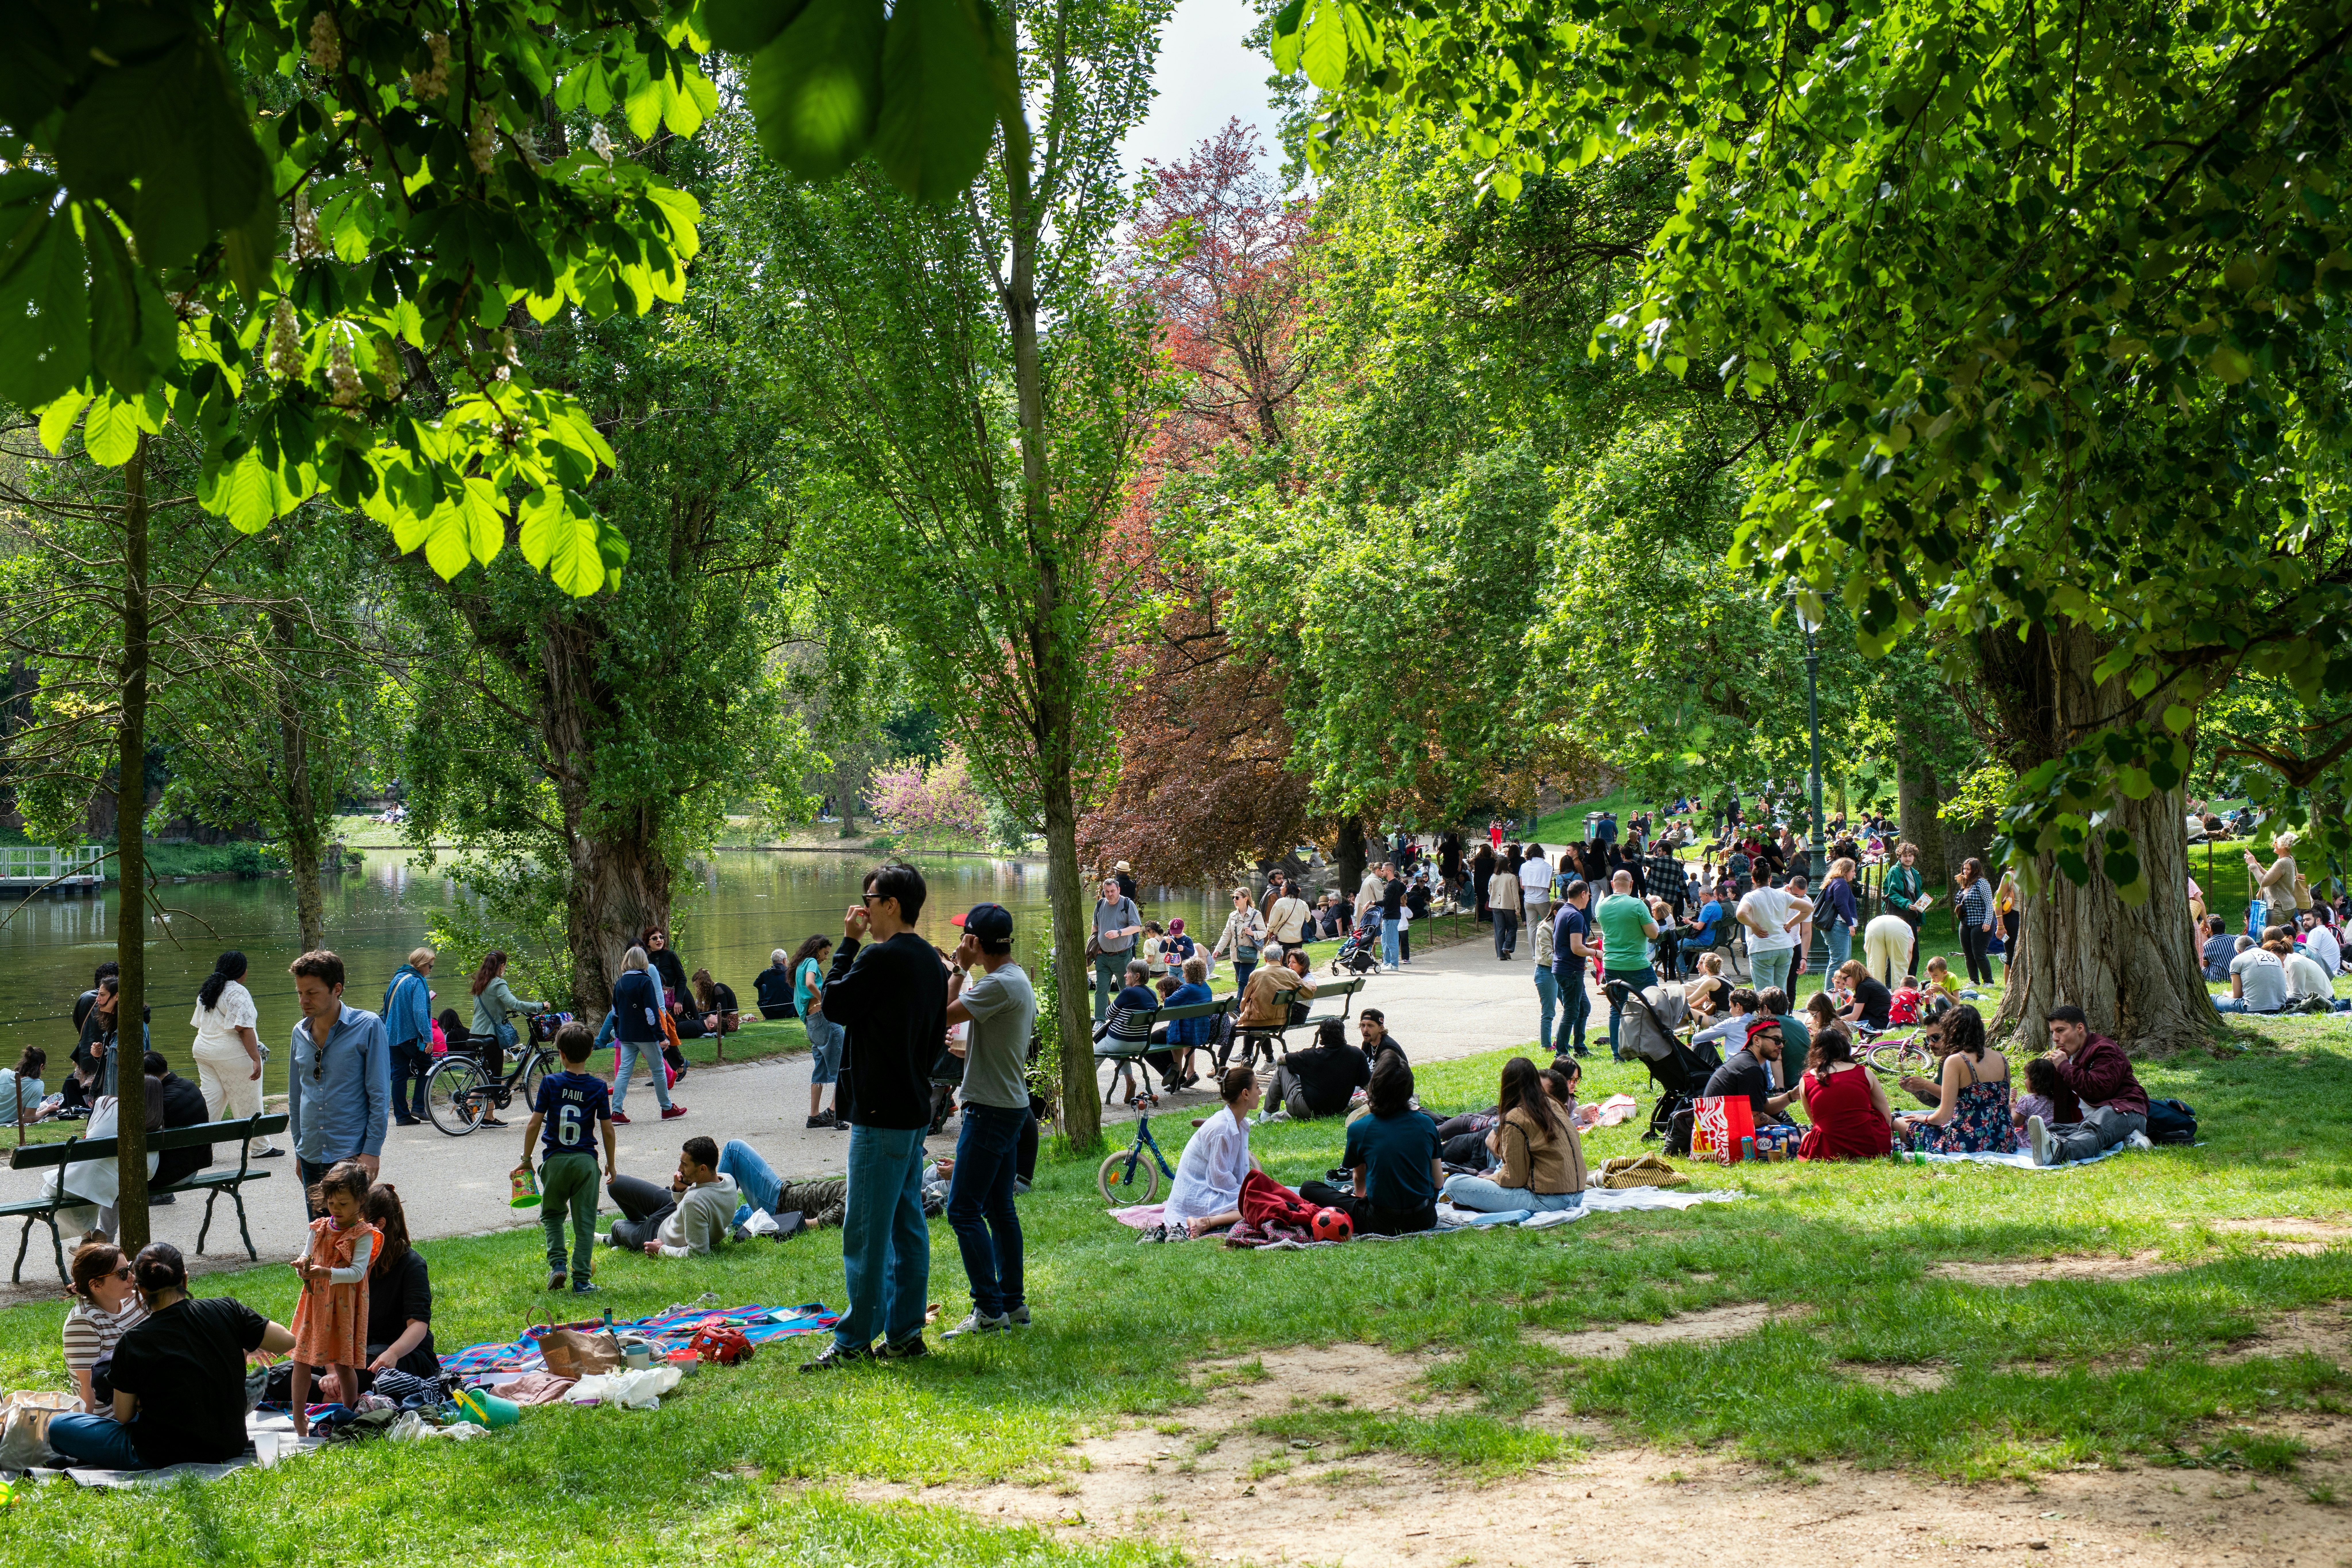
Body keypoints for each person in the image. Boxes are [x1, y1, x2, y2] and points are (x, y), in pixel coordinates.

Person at [806, 862, 948, 1370]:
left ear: (891, 904)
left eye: (868, 899)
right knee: (907, 1223)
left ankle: (853, 1342)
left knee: (866, 1229)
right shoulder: (930, 960)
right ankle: (905, 1333)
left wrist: (847, 943)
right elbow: (934, 1038)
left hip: (880, 1113)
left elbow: (835, 1004)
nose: (861, 908)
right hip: (911, 1108)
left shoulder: (880, 956)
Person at [44, 1243, 297, 1471]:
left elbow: (123, 1415)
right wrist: (244, 1342)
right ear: (185, 1279)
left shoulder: (133, 1341)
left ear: (141, 1290)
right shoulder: (227, 1309)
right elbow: (287, 1341)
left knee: (60, 1426)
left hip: (160, 1455)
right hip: (229, 1445)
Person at [941, 902, 1036, 1338]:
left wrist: (959, 968)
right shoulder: (1014, 979)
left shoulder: (997, 983)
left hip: (991, 1110)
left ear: (975, 942)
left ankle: (989, 1310)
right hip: (1009, 1106)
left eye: (965, 937)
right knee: (999, 1209)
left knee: (962, 1209)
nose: (960, 944)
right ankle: (1012, 1305)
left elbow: (941, 1014)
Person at [285, 950, 391, 1209]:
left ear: (337, 989)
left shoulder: (368, 1026)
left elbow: (379, 1095)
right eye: (300, 992)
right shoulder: (299, 1032)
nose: (304, 1000)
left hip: (351, 1156)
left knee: (353, 1230)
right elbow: (296, 1097)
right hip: (310, 1155)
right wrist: (299, 1150)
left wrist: (372, 1151)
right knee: (319, 1229)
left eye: (312, 992)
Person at [518, 1021, 617, 1294]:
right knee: (585, 1222)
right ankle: (582, 1280)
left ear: (560, 1053)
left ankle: (558, 1264)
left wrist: (526, 1158)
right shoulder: (598, 1087)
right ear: (590, 1052)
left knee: (552, 1215)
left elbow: (533, 1124)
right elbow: (608, 1129)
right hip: (586, 1163)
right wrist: (611, 1163)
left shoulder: (550, 1082)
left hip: (555, 1161)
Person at [1298, 1053, 1442, 1235]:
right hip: (1425, 1218)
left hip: (1381, 1222)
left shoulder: (1360, 1129)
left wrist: (1361, 1201)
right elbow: (1438, 1181)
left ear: (1374, 1087)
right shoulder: (1427, 1124)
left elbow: (1360, 1183)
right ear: (1409, 1089)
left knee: (1308, 1188)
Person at [288, 1160, 379, 1437]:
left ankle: (349, 1414)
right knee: (301, 1359)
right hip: (315, 1303)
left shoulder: (363, 1234)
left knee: (343, 1363)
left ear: (361, 1200)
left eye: (343, 1203)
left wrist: (325, 1272)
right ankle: (298, 1418)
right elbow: (307, 1255)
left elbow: (357, 1272)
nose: (335, 1209)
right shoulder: (319, 1227)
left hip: (344, 1307)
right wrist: (303, 1267)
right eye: (331, 1202)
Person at [1438, 1056, 1586, 1214]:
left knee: (1453, 1185)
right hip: (1577, 1195)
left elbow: (1515, 1178)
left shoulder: (1516, 1117)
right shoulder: (1555, 1105)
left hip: (1549, 1199)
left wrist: (1491, 1178)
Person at [186, 950, 286, 1153]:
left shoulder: (208, 989)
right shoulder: (237, 992)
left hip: (204, 1050)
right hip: (230, 1054)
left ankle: (197, 1147)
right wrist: (256, 1058)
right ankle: (260, 1148)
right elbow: (244, 1028)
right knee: (248, 1100)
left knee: (211, 1099)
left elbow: (202, 1023)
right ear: (241, 971)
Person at [2025, 1005, 2150, 1166]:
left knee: (2099, 1123)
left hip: (2125, 1111)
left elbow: (2099, 1091)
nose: (2055, 1038)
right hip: (2091, 1120)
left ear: (2080, 1028)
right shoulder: (2067, 1057)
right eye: (2053, 1033)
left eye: (2061, 1031)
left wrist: (2064, 1067)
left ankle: (2058, 1151)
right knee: (2054, 1130)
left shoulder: (2105, 1049)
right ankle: (2126, 1141)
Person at [1895, 1004, 2012, 1153]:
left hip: (1968, 1143)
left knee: (1899, 1123)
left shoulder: (1956, 1060)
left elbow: (1943, 1117)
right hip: (2004, 1141)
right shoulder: (2001, 1058)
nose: (1931, 1043)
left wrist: (1923, 1118)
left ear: (1951, 1030)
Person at [1163, 1066, 1264, 1237]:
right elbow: (1219, 1178)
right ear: (1246, 1094)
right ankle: (1204, 1222)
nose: (1260, 1092)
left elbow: (1235, 1172)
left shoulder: (1236, 1123)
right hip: (1197, 1196)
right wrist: (1246, 1194)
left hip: (1206, 1189)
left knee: (1263, 1200)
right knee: (1259, 1207)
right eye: (1258, 1087)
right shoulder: (1222, 1129)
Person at [606, 1136, 740, 1255]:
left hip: (660, 1234)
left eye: (685, 1165)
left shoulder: (695, 1201)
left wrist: (662, 1250)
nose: (680, 1169)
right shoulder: (728, 1180)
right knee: (615, 1184)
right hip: (675, 1211)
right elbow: (691, 1206)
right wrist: (680, 1189)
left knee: (617, 1226)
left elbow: (699, 1252)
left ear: (703, 1169)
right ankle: (639, 1227)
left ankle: (613, 1238)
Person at [361, 1184, 439, 1387]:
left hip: (404, 1354)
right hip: (360, 1351)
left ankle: (337, 1389)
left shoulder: (412, 1265)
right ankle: (334, 1390)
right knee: (288, 1372)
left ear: (379, 1225)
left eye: (357, 1225)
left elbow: (418, 1324)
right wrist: (331, 1369)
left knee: (367, 1366)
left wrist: (393, 1353)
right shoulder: (353, 1264)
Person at [62, 1239, 147, 1413]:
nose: (131, 1277)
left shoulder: (136, 1300)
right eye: (122, 1273)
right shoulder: (84, 1322)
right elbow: (88, 1389)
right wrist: (84, 1427)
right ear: (96, 1285)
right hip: (111, 1418)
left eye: (129, 1268)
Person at [607, 945, 683, 1124]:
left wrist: (619, 1033)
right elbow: (651, 1013)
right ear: (644, 962)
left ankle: (616, 1112)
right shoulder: (645, 981)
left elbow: (615, 1013)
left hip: (626, 1036)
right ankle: (667, 1109)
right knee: (658, 1071)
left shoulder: (620, 983)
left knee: (624, 1072)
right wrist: (661, 1036)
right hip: (645, 1035)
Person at [466, 951, 543, 1125]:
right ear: (501, 966)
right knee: (494, 1078)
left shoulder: (481, 982)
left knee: (488, 1076)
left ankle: (487, 1117)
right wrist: (539, 1006)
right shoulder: (498, 983)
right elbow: (515, 1004)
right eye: (505, 966)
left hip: (476, 1032)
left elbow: (491, 1007)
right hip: (490, 1036)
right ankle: (470, 1107)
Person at [1797, 1027, 1895, 1160]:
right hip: (1871, 1145)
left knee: (1807, 1137)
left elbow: (1815, 1122)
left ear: (1815, 1050)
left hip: (1828, 1150)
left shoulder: (1806, 1080)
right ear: (1845, 1047)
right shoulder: (1864, 1072)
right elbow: (1886, 1116)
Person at [1595, 870, 1661, 1061]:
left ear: (1612, 884)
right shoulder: (1637, 905)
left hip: (1611, 963)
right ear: (1632, 884)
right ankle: (1656, 1046)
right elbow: (1653, 934)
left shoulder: (1601, 906)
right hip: (1636, 964)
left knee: (1617, 1008)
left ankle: (1618, 1054)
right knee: (1655, 1002)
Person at [1702, 1017, 1800, 1125]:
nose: (1781, 1045)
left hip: (1720, 1129)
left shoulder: (1746, 1062)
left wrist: (1792, 1095)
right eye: (1776, 1040)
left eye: (1782, 1041)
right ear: (1757, 1040)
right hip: (1721, 1133)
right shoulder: (1751, 1070)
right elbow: (1756, 1119)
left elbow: (1764, 1107)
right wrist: (1794, 1130)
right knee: (1793, 1130)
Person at [1270, 1019, 1371, 1122]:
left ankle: (1266, 1113)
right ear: (1343, 1034)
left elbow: (1281, 1059)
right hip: (1337, 1109)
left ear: (1321, 1036)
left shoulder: (1310, 1055)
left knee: (1283, 1067)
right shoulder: (1357, 1054)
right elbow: (1369, 1086)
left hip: (1307, 1110)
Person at [788, 935, 841, 1128]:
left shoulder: (800, 965)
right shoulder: (811, 962)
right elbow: (811, 984)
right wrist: (826, 1000)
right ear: (817, 949)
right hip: (823, 1018)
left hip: (811, 1022)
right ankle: (833, 1113)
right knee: (845, 1064)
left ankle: (814, 1116)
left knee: (821, 1067)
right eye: (825, 953)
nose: (826, 958)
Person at [142, 1051, 212, 1192]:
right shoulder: (188, 1085)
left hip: (171, 1176)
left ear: (146, 1076)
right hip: (192, 1169)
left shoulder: (162, 1102)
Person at [1735, 862, 1805, 999]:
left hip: (1762, 948)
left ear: (1753, 879)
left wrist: (1754, 926)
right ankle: (1782, 1014)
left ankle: (1766, 1014)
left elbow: (1741, 914)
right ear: (1770, 879)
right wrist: (1791, 924)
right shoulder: (1783, 895)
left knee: (1764, 995)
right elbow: (1808, 908)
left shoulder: (1750, 897)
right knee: (1781, 994)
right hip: (1784, 947)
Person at [1551, 879, 1595, 1058]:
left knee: (1584, 1008)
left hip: (1564, 969)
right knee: (1571, 1012)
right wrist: (1596, 953)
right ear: (1583, 894)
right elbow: (1577, 948)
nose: (1589, 899)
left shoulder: (1563, 911)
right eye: (1589, 895)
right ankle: (1561, 1053)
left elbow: (1569, 943)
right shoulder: (1576, 916)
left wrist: (1589, 946)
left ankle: (1580, 1047)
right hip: (1570, 971)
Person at [1091, 876, 1143, 1022]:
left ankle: (1125, 1018)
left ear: (1119, 890)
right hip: (1102, 956)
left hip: (1122, 955)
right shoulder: (1100, 904)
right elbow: (1095, 926)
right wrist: (1097, 945)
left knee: (1125, 988)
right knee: (1101, 990)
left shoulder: (1127, 904)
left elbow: (1137, 927)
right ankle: (1100, 1021)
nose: (1110, 894)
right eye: (1107, 891)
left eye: (1113, 891)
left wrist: (1119, 933)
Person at [1160, 955, 1216, 1088]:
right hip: (1201, 1031)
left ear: (1190, 974)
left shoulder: (1187, 989)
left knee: (1154, 1039)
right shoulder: (1206, 988)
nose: (1184, 976)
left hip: (1188, 1033)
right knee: (1180, 1031)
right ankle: (1188, 1074)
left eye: (1185, 973)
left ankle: (1177, 1075)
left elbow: (1168, 1003)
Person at [2010, 1055, 2081, 1143]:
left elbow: (2016, 1123)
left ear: (2035, 1081)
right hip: (2051, 1141)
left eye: (2026, 1078)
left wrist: (2013, 1108)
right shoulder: (2058, 1100)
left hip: (2030, 1142)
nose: (2025, 1081)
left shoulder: (2026, 1101)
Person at [1210, 885, 1266, 995]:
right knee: (1244, 982)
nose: (1234, 900)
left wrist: (1253, 933)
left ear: (1246, 899)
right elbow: (1227, 934)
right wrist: (1218, 949)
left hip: (1250, 954)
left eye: (1237, 897)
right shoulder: (1232, 916)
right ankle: (1252, 1001)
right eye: (1233, 897)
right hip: (1236, 954)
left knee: (1243, 981)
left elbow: (1264, 932)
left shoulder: (1256, 914)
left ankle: (1239, 1005)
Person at [1952, 857, 1998, 987]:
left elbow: (1989, 904)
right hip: (1965, 923)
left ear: (1976, 870)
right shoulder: (1966, 883)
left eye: (1968, 869)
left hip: (1980, 923)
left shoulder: (1982, 883)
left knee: (1979, 954)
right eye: (1964, 869)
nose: (1965, 871)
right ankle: (1974, 981)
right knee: (1968, 954)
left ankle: (1989, 982)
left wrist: (1988, 921)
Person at [2216, 934, 2290, 1014]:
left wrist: (2228, 995)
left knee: (2213, 998)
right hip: (2280, 1008)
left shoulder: (2238, 959)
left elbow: (2237, 996)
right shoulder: (2274, 956)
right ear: (2256, 945)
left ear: (2239, 952)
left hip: (2252, 1008)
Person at [2244, 832, 2299, 936]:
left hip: (2278, 908)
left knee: (2274, 939)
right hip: (2286, 906)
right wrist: (2256, 864)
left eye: (2276, 842)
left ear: (2284, 845)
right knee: (2282, 937)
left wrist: (2253, 866)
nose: (2273, 844)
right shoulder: (2289, 859)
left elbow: (2264, 882)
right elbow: (2272, 878)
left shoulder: (2282, 863)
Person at [1817, 858, 1861, 973]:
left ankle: (1837, 985)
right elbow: (1842, 905)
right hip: (1838, 926)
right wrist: (1850, 924)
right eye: (1853, 871)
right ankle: (1832, 986)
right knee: (1838, 962)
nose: (1855, 874)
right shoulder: (1841, 883)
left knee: (1842, 962)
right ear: (1845, 871)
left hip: (1837, 926)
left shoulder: (1835, 882)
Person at [1883, 840, 1931, 943]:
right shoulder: (1895, 871)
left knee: (1913, 948)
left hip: (1911, 915)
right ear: (1899, 857)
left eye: (1911, 856)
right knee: (1900, 948)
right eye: (1905, 856)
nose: (1908, 859)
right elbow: (1893, 894)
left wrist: (1918, 921)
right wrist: (1907, 904)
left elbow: (1917, 896)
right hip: (1897, 915)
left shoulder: (1915, 873)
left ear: (1914, 857)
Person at [644, 928, 692, 1020]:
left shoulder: (671, 955)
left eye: (661, 937)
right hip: (659, 1002)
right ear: (648, 943)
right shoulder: (647, 960)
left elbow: (682, 979)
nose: (659, 940)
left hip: (678, 1001)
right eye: (655, 938)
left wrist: (679, 1001)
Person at [1833, 959, 1893, 1033]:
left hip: (1882, 1024)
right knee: (1849, 1009)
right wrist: (1831, 1013)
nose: (1844, 982)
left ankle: (1832, 1029)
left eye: (1845, 979)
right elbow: (1850, 1005)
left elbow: (1855, 1016)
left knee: (1849, 1011)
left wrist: (1834, 1022)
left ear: (1854, 975)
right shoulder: (1866, 983)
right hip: (1886, 1021)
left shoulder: (1864, 987)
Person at [1862, 909, 1915, 989]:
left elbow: (1866, 948)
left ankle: (1876, 994)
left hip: (1873, 925)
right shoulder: (1906, 926)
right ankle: (1899, 995)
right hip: (1898, 928)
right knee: (1899, 968)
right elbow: (1909, 951)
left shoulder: (1878, 920)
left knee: (1875, 970)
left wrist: (1879, 953)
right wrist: (1905, 969)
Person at [1487, 852, 1522, 960]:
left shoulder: (1493, 877)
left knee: (1499, 929)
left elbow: (1490, 891)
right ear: (1508, 864)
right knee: (1512, 927)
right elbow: (1515, 894)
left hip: (1496, 905)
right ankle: (1507, 946)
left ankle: (1500, 955)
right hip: (1508, 905)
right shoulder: (1512, 877)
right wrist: (1518, 908)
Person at [1, 1046, 46, 1128]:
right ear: (41, 1066)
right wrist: (48, 1110)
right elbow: (28, 1119)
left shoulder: (4, 1072)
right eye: (43, 1069)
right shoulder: (38, 1085)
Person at [1265, 879, 1312, 957]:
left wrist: (1270, 931)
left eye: (1283, 886)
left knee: (1284, 961)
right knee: (1295, 961)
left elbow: (1273, 921)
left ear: (1288, 888)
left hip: (1283, 938)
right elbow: (1308, 918)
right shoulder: (1303, 903)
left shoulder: (1281, 902)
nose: (1281, 888)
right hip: (1298, 938)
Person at [752, 948, 797, 1020]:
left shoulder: (766, 973)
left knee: (762, 986)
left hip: (770, 1014)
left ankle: (766, 1009)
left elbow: (756, 984)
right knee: (796, 986)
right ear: (785, 960)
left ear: (773, 962)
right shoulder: (791, 973)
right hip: (789, 1012)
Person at [1519, 842, 1554, 935]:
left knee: (1531, 928)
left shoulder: (1524, 866)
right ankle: (1546, 944)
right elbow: (1549, 887)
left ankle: (1533, 946)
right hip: (1542, 900)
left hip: (1529, 900)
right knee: (1548, 926)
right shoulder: (1547, 867)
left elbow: (1522, 887)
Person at [1378, 863, 1407, 971]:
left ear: (1389, 871)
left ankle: (1394, 964)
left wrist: (1371, 903)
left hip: (1392, 917)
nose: (1382, 872)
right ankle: (1387, 962)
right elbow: (1404, 888)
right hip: (1388, 916)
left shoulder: (1392, 885)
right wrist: (1396, 898)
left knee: (1392, 942)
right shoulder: (1394, 883)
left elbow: (1385, 902)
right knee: (1385, 942)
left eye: (1383, 870)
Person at [2303, 910, 2343, 976]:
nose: (2305, 923)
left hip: (2324, 974)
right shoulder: (2324, 931)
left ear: (2318, 921)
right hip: (2331, 972)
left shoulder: (2317, 931)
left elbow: (2310, 955)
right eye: (2304, 920)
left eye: (2308, 920)